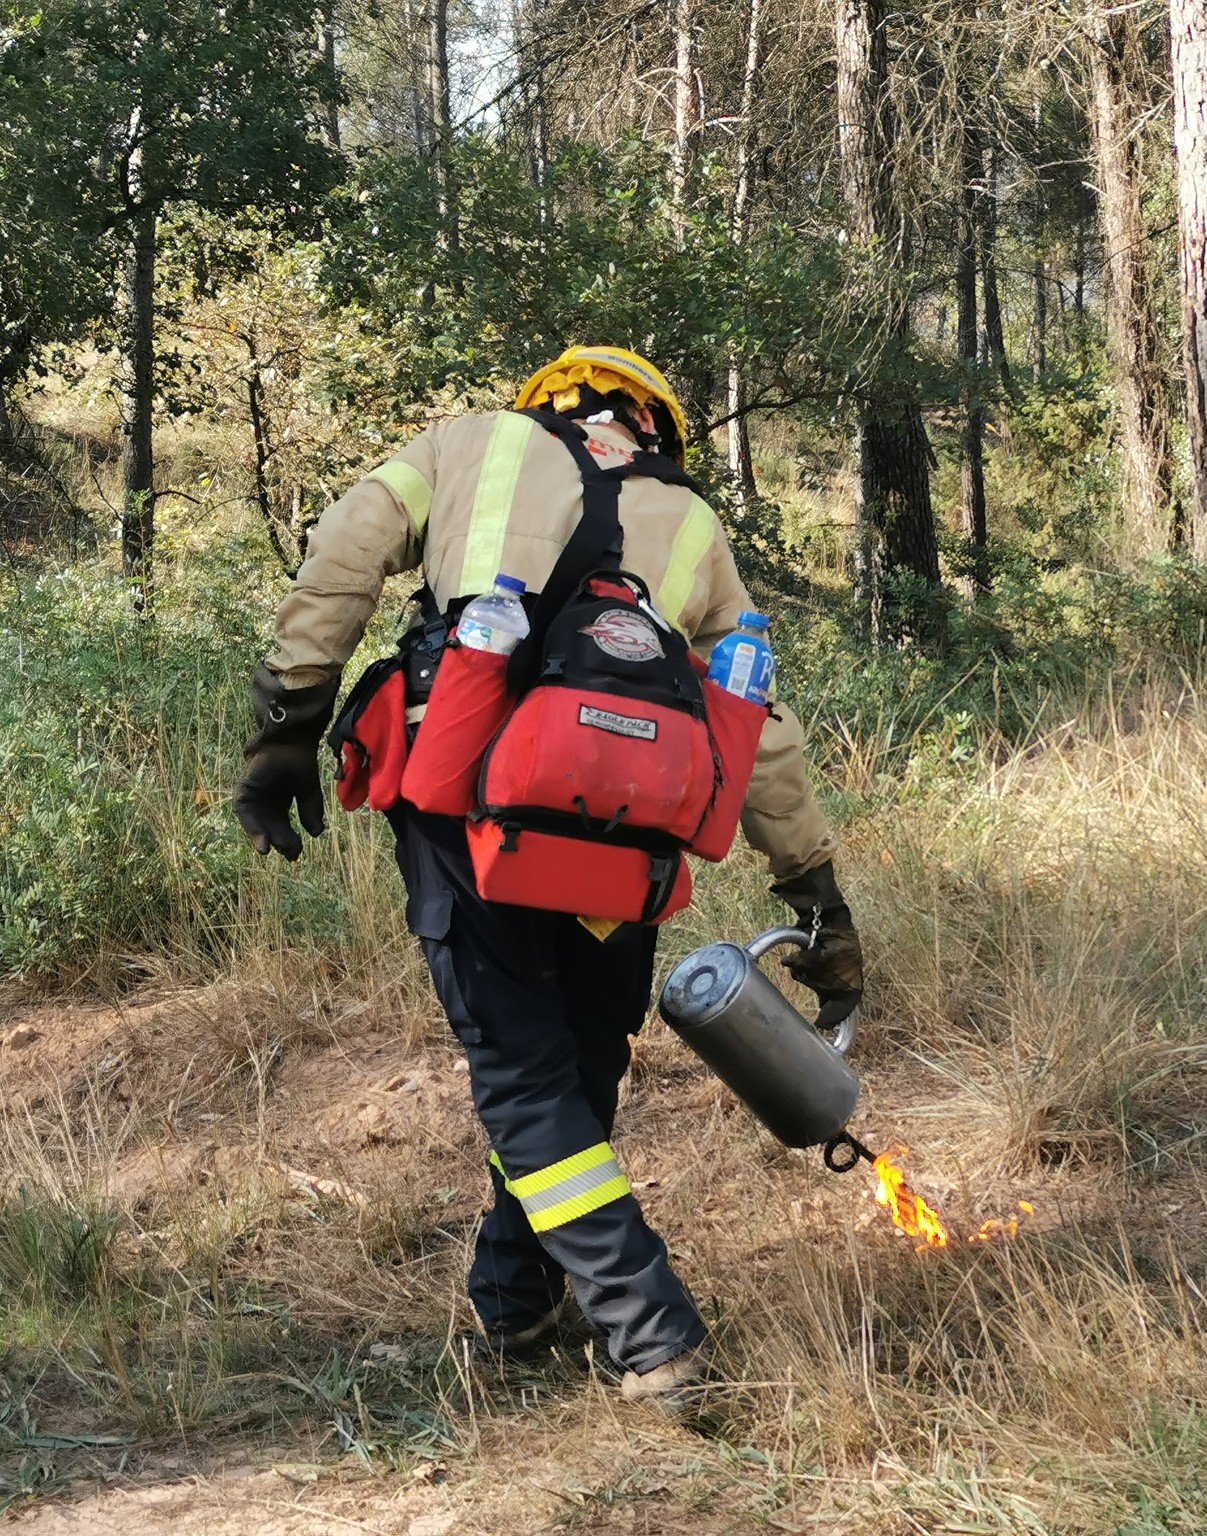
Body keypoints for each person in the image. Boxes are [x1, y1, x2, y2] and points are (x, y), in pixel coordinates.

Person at [230, 346, 863, 1411]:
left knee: (526, 1080)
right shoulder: (691, 521)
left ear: (548, 404)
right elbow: (756, 725)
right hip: (622, 840)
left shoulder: (463, 443)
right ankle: (516, 1301)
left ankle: (649, 1333)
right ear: (652, 424)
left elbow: (343, 556)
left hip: (463, 805)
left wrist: (289, 726)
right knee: (578, 1060)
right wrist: (812, 888)